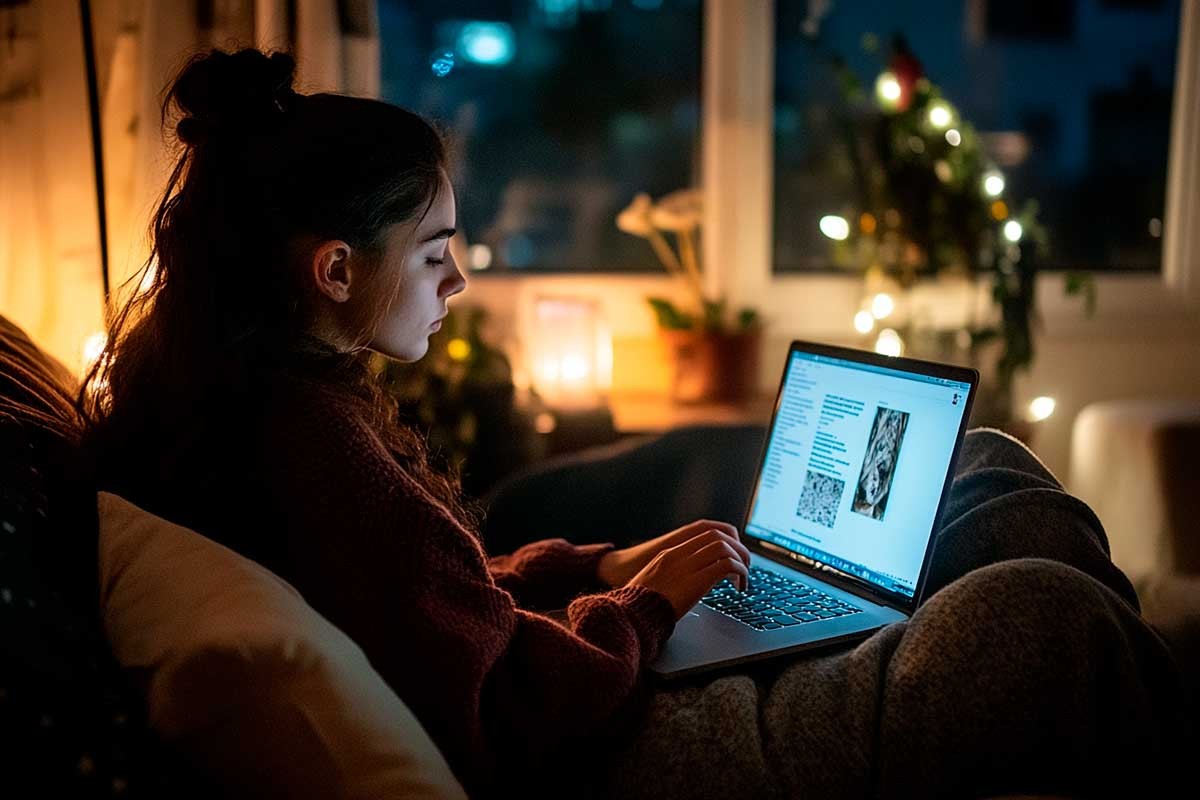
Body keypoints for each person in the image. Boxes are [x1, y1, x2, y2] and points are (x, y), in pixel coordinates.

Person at [80, 48, 1190, 798]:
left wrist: (604, 559)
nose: (458, 279)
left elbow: (438, 605)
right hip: (621, 746)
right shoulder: (308, 449)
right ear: (333, 269)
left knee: (988, 467)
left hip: (603, 682)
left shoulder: (269, 405)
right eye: (433, 252)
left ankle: (1123, 706)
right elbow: (507, 705)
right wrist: (644, 606)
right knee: (1042, 613)